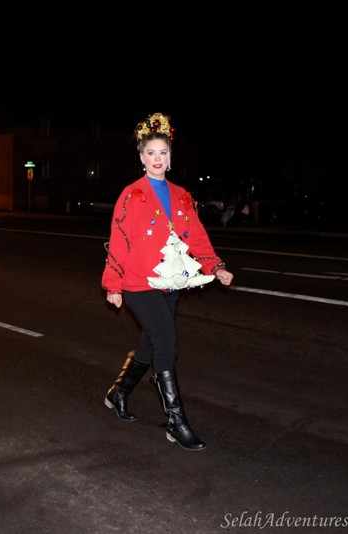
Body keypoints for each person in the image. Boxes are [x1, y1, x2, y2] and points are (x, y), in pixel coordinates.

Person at [101, 112, 233, 451]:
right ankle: (176, 422)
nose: (157, 159)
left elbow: (196, 236)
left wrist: (215, 267)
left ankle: (118, 394)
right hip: (138, 283)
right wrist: (113, 285)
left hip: (171, 282)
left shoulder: (181, 195)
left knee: (152, 344)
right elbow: (119, 240)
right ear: (141, 158)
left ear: (170, 158)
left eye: (163, 153)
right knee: (168, 344)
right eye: (150, 153)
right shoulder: (132, 195)